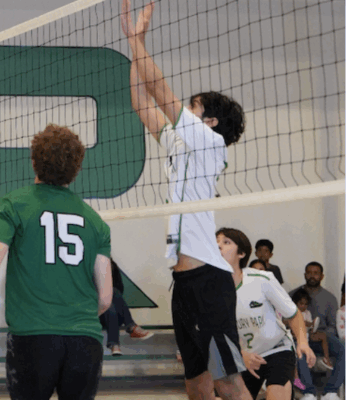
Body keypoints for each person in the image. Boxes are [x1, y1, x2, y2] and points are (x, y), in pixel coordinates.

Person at [122, 1, 251, 399]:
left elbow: (160, 91)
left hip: (208, 282)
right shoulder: (182, 145)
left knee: (228, 383)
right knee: (196, 385)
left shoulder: (209, 142)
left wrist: (136, 41)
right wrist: (136, 45)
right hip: (183, 283)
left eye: (191, 107)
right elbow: (142, 103)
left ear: (209, 122)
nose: (182, 110)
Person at [0, 124, 113, 400]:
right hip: (85, 340)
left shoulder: (14, 204)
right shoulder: (96, 222)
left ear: (33, 161)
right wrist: (74, 320)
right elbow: (105, 298)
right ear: (77, 167)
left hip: (33, 339)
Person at [216, 228, 315, 400]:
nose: (218, 246)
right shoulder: (209, 291)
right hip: (243, 357)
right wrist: (241, 355)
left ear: (241, 253)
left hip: (277, 350)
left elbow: (293, 314)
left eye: (226, 242)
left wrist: (303, 342)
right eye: (215, 242)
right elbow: (217, 334)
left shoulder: (262, 279)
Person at [288, 262, 345, 400]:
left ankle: (330, 392)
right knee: (300, 351)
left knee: (343, 349)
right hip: (299, 337)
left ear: (322, 276)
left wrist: (322, 334)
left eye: (316, 273)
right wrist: (301, 335)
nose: (312, 276)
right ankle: (309, 393)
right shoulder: (292, 295)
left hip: (322, 337)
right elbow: (285, 320)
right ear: (304, 275)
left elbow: (333, 325)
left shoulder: (330, 298)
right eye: (309, 273)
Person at [101, 258, 154, 356]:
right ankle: (130, 328)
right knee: (111, 300)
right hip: (95, 313)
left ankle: (115, 344)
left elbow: (120, 290)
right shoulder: (86, 266)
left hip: (112, 313)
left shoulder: (112, 265)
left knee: (112, 300)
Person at [291, 289, 333, 369]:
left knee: (323, 335)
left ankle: (326, 359)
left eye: (306, 304)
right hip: (296, 335)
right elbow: (295, 324)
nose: (303, 306)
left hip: (308, 333)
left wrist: (312, 326)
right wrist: (309, 323)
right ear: (295, 303)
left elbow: (310, 327)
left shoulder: (307, 313)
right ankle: (307, 358)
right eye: (301, 304)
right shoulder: (294, 312)